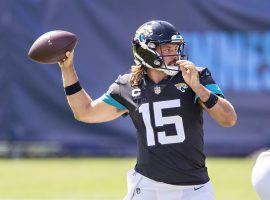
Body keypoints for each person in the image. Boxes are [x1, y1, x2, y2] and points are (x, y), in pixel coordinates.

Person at [58, 20, 237, 200]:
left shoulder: (196, 76)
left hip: (194, 188)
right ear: (146, 51)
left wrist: (198, 88)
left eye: (175, 48)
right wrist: (67, 69)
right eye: (167, 49)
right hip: (147, 187)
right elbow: (85, 112)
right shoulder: (128, 85)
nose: (175, 54)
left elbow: (228, 119)